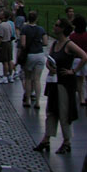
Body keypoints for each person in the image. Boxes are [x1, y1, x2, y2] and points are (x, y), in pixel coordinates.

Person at [33, 18, 87, 154]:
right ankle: (46, 138)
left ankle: (67, 141)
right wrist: (49, 66)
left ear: (63, 29)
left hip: (65, 82)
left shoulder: (69, 44)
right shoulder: (55, 44)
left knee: (64, 112)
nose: (54, 27)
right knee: (51, 111)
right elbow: (50, 58)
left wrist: (73, 71)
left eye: (57, 25)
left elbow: (84, 56)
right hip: (54, 81)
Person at [19, 11, 48, 109]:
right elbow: (45, 42)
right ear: (37, 19)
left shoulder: (25, 28)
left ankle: (27, 100)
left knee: (28, 78)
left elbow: (23, 44)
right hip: (40, 55)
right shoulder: (41, 29)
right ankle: (38, 102)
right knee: (37, 80)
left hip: (30, 55)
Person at [71, 15, 87, 107]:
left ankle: (81, 98)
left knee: (79, 80)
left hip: (76, 59)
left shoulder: (73, 36)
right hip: (86, 58)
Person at [0, 12, 15, 83]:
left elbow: (0, 37)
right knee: (9, 60)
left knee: (4, 61)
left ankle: (5, 77)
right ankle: (10, 75)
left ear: (3, 17)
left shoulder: (1, 25)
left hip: (4, 43)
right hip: (9, 43)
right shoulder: (9, 24)